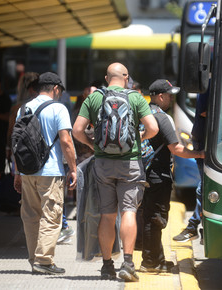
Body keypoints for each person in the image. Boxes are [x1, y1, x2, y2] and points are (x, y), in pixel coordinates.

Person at [72, 62, 159, 282]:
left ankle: (107, 266)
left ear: (106, 77)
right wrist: (140, 138)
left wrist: (93, 146)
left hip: (102, 164)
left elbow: (77, 130)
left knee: (107, 215)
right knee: (128, 211)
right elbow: (153, 128)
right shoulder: (135, 97)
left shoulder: (94, 98)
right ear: (126, 77)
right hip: (130, 163)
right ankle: (128, 264)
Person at [13, 72, 77, 275]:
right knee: (51, 215)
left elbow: (16, 143)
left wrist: (17, 173)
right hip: (50, 172)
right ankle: (44, 260)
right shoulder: (59, 108)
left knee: (31, 216)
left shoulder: (23, 108)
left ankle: (35, 260)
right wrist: (73, 168)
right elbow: (66, 141)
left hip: (27, 171)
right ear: (56, 89)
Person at [140, 79, 205, 272]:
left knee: (151, 216)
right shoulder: (162, 118)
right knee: (155, 218)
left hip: (144, 173)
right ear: (160, 96)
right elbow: (176, 149)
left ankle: (157, 259)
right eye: (169, 95)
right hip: (158, 176)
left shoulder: (143, 114)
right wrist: (200, 154)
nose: (171, 98)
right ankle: (150, 262)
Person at [173, 82, 208, 244]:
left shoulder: (211, 85)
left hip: (208, 144)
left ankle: (194, 226)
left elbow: (205, 113)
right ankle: (196, 227)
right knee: (203, 187)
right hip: (203, 142)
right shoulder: (206, 85)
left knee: (204, 188)